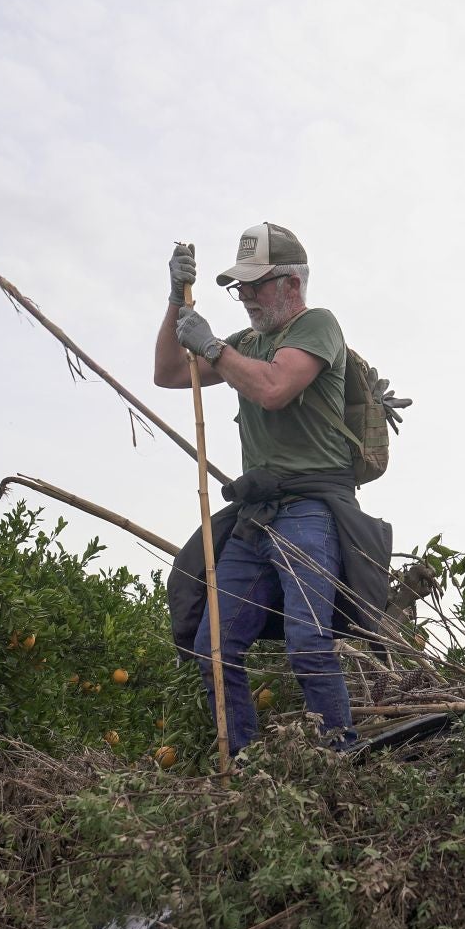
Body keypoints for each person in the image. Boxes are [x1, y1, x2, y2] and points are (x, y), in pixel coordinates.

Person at [155, 221, 399, 756]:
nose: (244, 297)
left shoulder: (317, 326)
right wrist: (176, 303)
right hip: (258, 515)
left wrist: (214, 348)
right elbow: (170, 374)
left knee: (309, 642)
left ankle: (338, 759)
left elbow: (274, 389)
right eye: (238, 286)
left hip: (310, 510)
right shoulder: (247, 342)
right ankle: (245, 766)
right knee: (213, 647)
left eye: (254, 284)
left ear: (290, 282)